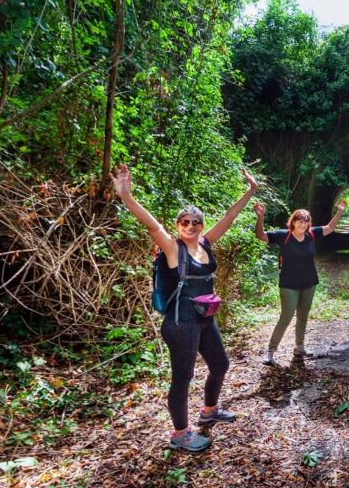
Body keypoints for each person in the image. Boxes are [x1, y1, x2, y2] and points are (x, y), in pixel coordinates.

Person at [111, 163, 259, 452]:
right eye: (185, 222)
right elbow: (152, 225)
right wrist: (126, 196)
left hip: (204, 319)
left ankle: (209, 411)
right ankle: (180, 433)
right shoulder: (172, 248)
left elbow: (229, 216)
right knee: (183, 377)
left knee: (220, 365)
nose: (191, 226)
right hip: (180, 323)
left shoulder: (206, 243)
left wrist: (250, 190)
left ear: (201, 226)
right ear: (178, 225)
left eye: (196, 222)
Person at [255, 201, 345, 365]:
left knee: (303, 317)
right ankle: (270, 351)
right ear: (293, 221)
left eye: (306, 221)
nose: (302, 224)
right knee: (286, 316)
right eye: (299, 221)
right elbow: (261, 236)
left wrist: (339, 212)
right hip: (289, 284)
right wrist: (260, 217)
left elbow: (330, 228)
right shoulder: (283, 235)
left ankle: (299, 348)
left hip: (309, 283)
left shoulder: (311, 234)